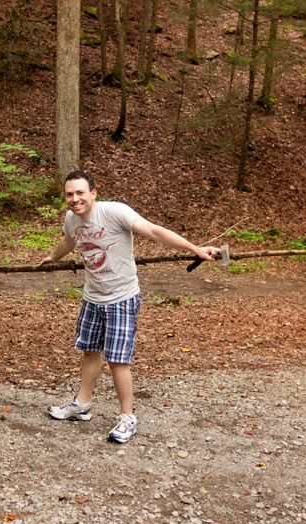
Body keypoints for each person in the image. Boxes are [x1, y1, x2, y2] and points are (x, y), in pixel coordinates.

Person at [40, 170, 218, 443]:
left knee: (118, 360)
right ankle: (82, 406)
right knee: (90, 350)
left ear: (93, 194)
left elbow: (153, 230)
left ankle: (127, 418)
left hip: (122, 298)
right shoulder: (71, 219)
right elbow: (69, 240)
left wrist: (194, 248)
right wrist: (52, 257)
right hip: (92, 297)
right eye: (69, 194)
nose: (75, 199)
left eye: (80, 193)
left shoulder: (115, 212)